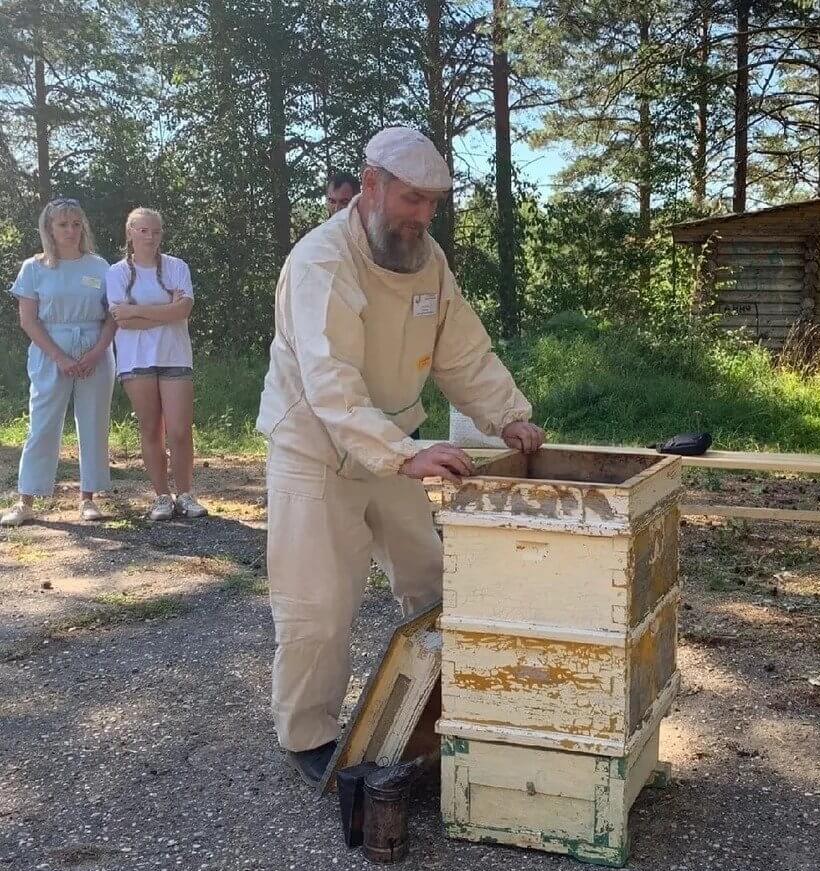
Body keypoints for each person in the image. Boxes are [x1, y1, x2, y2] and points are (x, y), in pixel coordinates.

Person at [259, 126, 545, 785]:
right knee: (319, 603)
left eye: (432, 204)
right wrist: (401, 453)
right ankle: (307, 735)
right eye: (411, 200)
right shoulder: (321, 263)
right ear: (370, 186)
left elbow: (461, 350)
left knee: (433, 578)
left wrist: (509, 414)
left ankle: (445, 706)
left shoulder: (429, 261)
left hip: (396, 446)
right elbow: (330, 384)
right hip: (317, 451)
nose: (420, 217)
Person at [3, 199, 115, 527]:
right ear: (49, 229)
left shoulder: (100, 267)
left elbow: (113, 315)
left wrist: (96, 351)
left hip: (95, 348)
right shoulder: (34, 268)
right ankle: (26, 499)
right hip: (50, 349)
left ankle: (88, 498)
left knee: (94, 421)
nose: (70, 230)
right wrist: (60, 357)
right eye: (63, 224)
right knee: (42, 423)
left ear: (83, 227)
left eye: (76, 224)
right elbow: (28, 320)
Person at [105, 208, 206, 521]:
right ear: (131, 232)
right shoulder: (117, 272)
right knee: (151, 428)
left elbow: (184, 310)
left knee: (178, 429)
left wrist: (138, 311)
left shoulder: (177, 267)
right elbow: (122, 320)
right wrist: (166, 309)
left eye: (157, 231)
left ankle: (186, 494)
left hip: (175, 356)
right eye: (144, 231)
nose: (151, 237)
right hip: (136, 360)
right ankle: (161, 495)